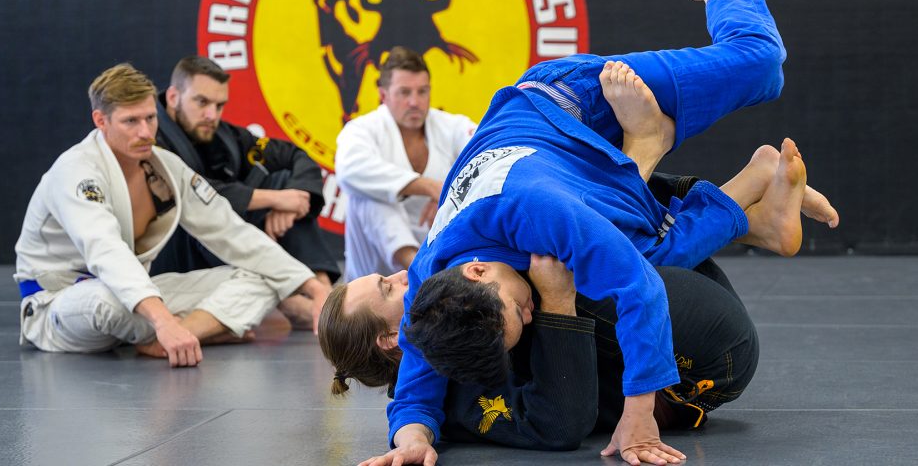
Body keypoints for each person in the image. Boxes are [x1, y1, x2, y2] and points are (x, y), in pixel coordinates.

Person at [365, 0, 839, 466]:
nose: (533, 313)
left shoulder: (538, 212)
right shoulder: (433, 284)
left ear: (477, 271)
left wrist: (639, 413)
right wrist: (412, 438)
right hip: (574, 176)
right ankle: (753, 209)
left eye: (519, 311)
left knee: (762, 65)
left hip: (576, 102)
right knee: (630, 260)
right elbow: (417, 383)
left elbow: (641, 290)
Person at [319, 174, 763, 449]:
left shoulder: (435, 324)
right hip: (701, 367)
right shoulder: (457, 395)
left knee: (548, 217)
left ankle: (738, 215)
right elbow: (559, 424)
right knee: (531, 276)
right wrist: (557, 304)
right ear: (390, 339)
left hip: (689, 287)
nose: (402, 276)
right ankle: (731, 209)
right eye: (388, 287)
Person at [14, 64, 330, 367]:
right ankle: (194, 328)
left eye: (150, 118)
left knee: (265, 279)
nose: (145, 132)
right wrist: (163, 319)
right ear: (101, 120)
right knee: (106, 301)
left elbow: (230, 230)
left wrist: (314, 288)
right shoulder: (76, 171)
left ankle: (179, 335)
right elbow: (105, 250)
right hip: (59, 302)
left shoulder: (165, 165)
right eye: (130, 121)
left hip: (138, 293)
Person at [151, 55, 339, 327]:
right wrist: (276, 199)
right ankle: (295, 303)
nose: (211, 115)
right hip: (174, 254)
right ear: (173, 97)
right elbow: (192, 195)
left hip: (224, 246)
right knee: (224, 211)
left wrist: (291, 201)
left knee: (284, 179)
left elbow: (294, 155)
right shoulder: (150, 137)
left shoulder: (225, 136)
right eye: (202, 102)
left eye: (219, 105)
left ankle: (324, 294)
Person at [334, 46, 476, 280]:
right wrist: (429, 187)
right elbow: (349, 170)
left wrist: (450, 192)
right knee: (368, 194)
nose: (414, 102)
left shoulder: (452, 126)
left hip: (439, 252)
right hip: (374, 275)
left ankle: (432, 272)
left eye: (422, 91)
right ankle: (422, 271)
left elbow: (490, 157)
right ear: (383, 95)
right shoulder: (361, 130)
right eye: (404, 92)